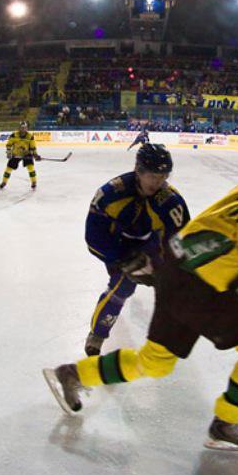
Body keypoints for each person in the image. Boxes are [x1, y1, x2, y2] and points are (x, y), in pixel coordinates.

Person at [45, 156, 238, 451]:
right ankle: (227, 423)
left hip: (215, 292)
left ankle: (73, 374)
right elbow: (201, 241)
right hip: (188, 280)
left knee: (156, 362)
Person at [83, 144, 190, 356]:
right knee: (123, 285)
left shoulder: (171, 202)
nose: (158, 182)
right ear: (138, 171)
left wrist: (166, 268)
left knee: (168, 286)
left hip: (151, 243)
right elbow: (94, 237)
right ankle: (98, 333)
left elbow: (181, 240)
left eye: (163, 176)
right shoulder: (110, 194)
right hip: (117, 243)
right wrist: (123, 259)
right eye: (152, 175)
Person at [0, 121, 41, 190]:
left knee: (30, 168)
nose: (23, 129)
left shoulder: (30, 136)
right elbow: (9, 145)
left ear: (27, 128)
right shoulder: (13, 135)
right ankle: (4, 182)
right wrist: (9, 153)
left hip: (26, 154)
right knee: (8, 168)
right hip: (15, 154)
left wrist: (35, 154)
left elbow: (33, 147)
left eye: (25, 128)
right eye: (22, 127)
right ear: (19, 128)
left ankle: (34, 182)